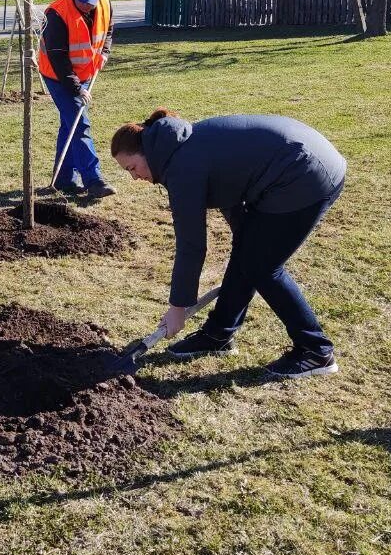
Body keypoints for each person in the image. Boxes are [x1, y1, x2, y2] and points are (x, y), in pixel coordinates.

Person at [110, 108, 346, 379]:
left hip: (303, 175)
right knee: (247, 254)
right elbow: (231, 192)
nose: (134, 177)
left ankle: (316, 351)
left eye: (132, 168)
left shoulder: (181, 168)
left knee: (262, 267)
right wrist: (245, 241)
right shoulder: (176, 148)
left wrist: (178, 308)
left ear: (146, 153)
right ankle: (218, 334)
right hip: (291, 166)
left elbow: (191, 244)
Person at [38, 0, 116, 200]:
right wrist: (77, 88)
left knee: (69, 125)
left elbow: (108, 31)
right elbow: (58, 59)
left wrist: (104, 53)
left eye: (90, 2)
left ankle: (64, 180)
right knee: (79, 123)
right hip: (57, 76)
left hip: (86, 73)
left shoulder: (105, 4)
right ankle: (94, 180)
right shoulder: (56, 14)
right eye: (82, 1)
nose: (86, 6)